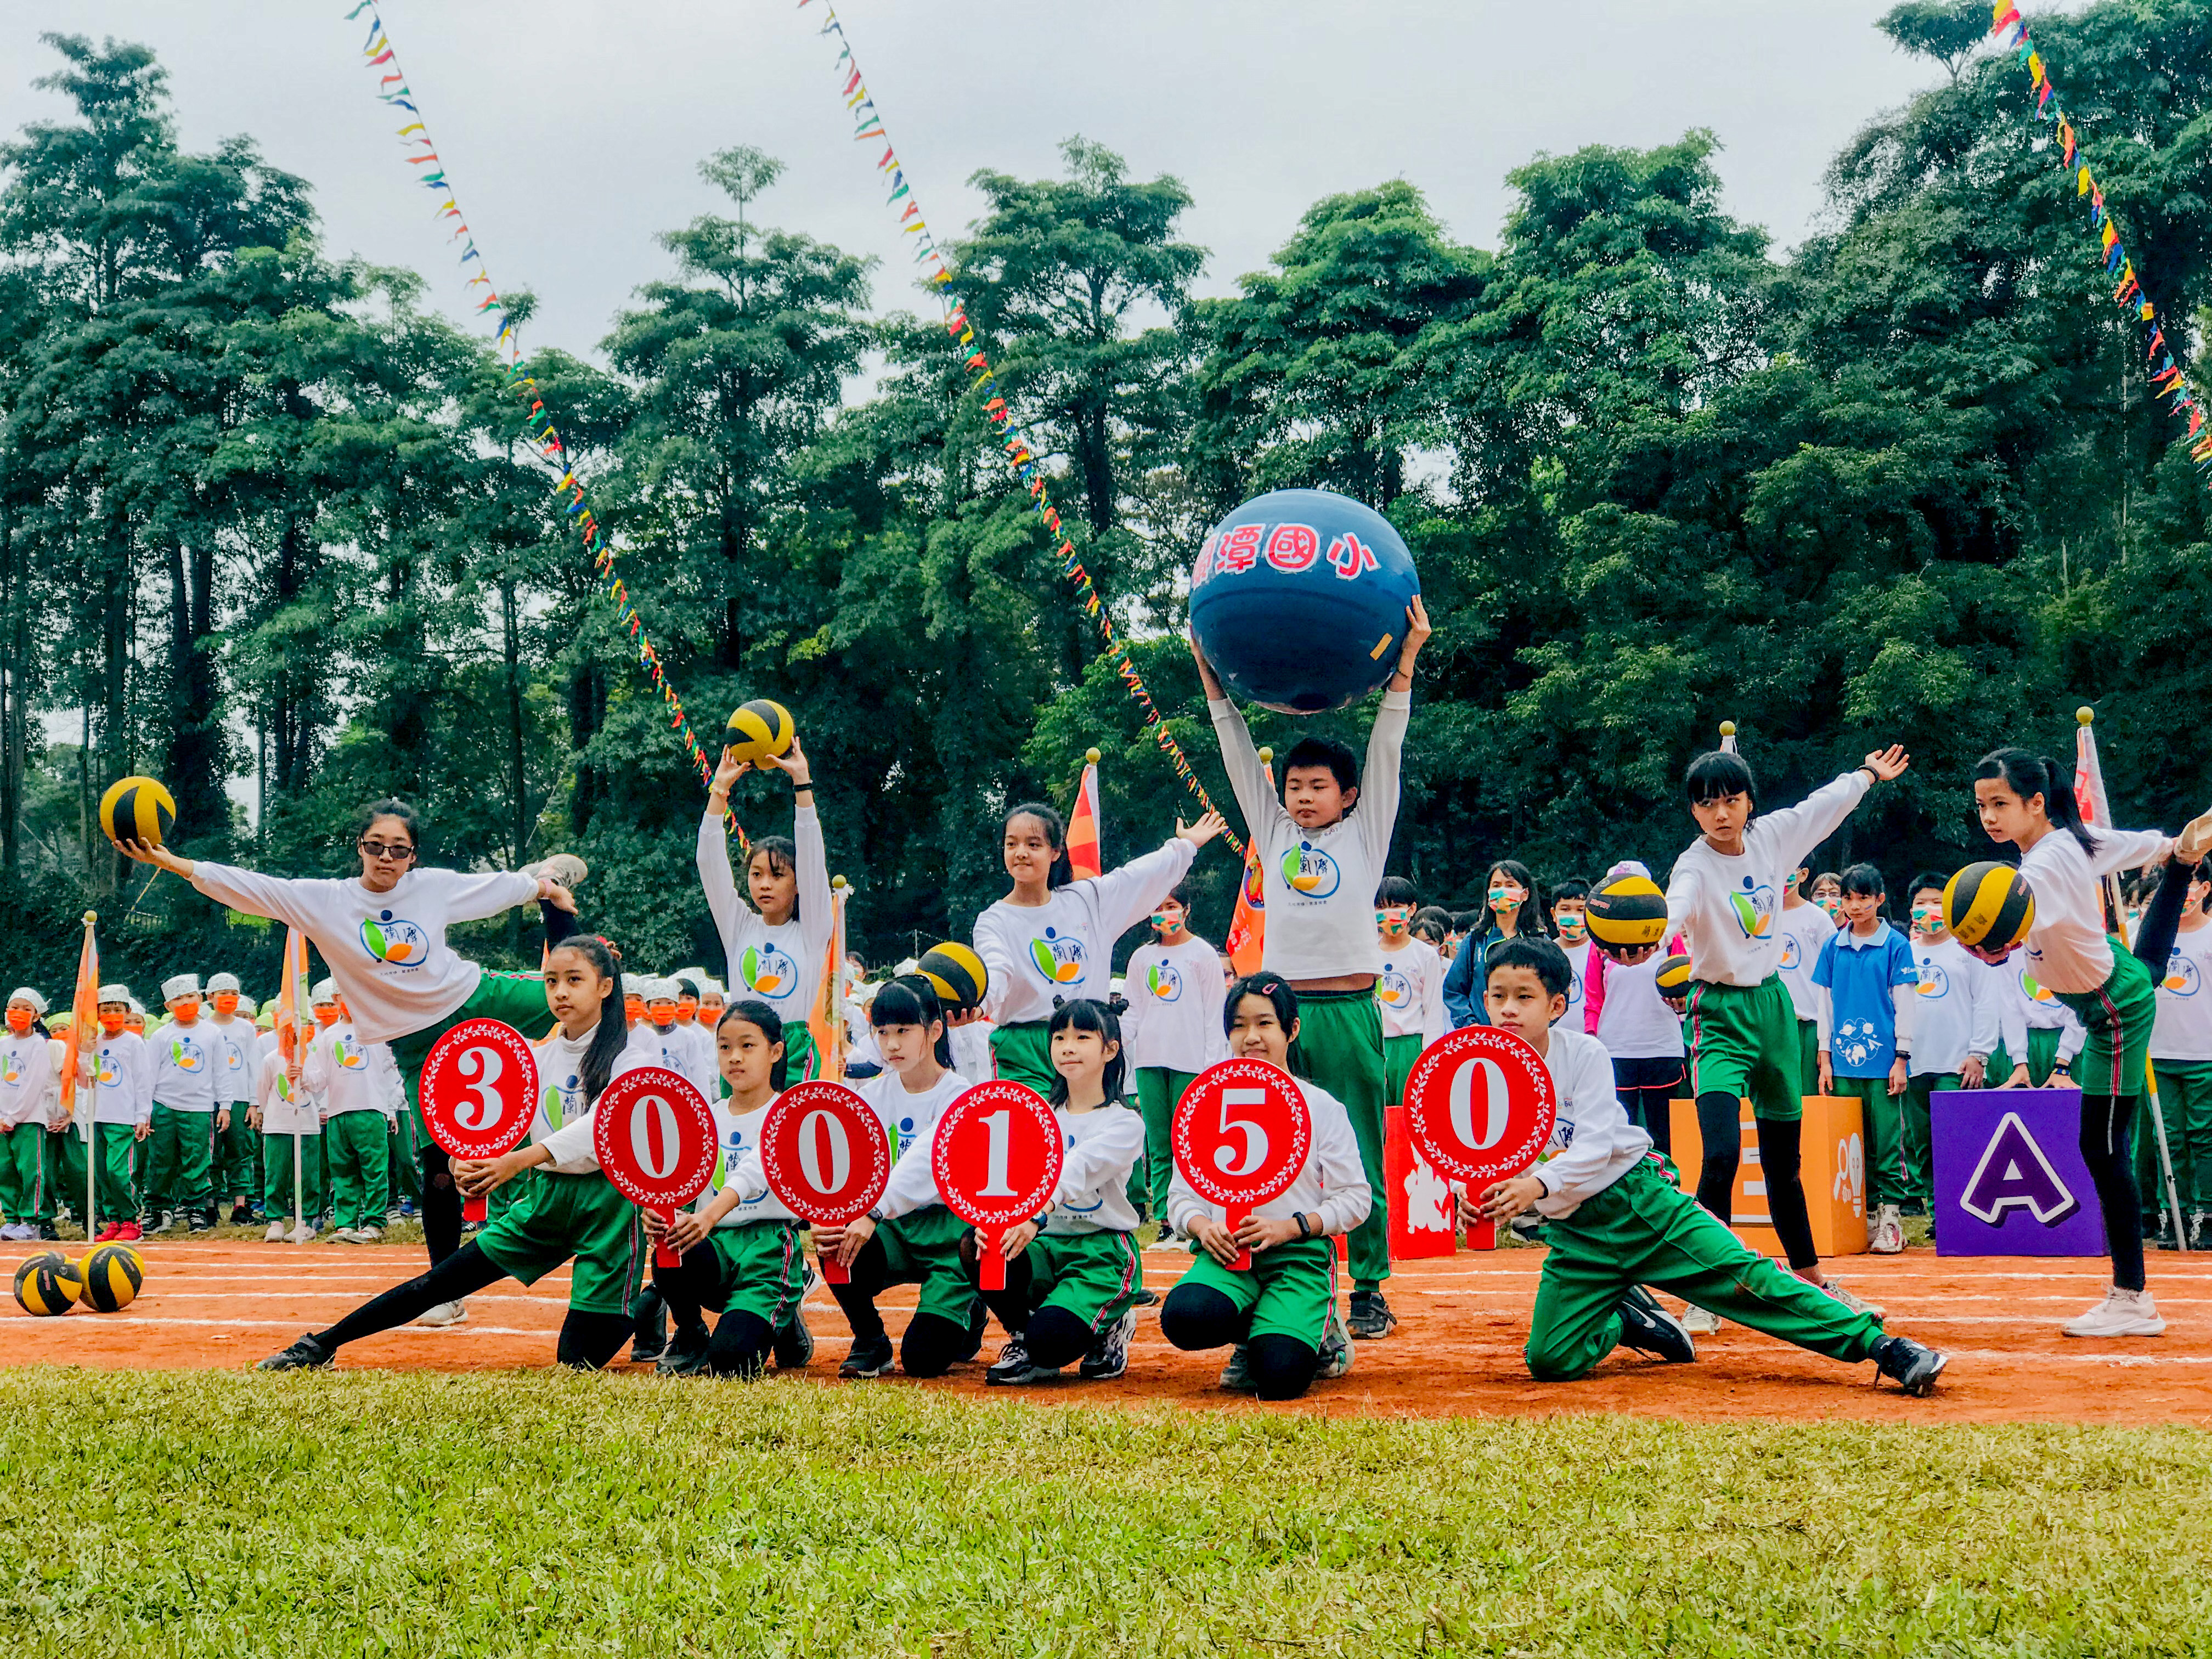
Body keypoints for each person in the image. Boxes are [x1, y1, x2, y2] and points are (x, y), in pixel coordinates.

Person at [113, 799, 582, 1278]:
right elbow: (253, 889)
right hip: (418, 1042)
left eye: (399, 850)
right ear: (359, 848)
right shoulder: (327, 901)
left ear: (413, 855)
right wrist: (172, 862)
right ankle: (445, 1288)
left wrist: (545, 885)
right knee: (439, 1165)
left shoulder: (432, 887)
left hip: (473, 996)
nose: (386, 857)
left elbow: (497, 890)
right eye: (376, 846)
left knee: (581, 998)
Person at [1458, 937, 1948, 1396]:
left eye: (1524, 996)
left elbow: (1595, 1146)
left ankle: (1886, 1349)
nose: (1508, 1009)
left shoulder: (1584, 1053)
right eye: (1498, 995)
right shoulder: (1481, 1072)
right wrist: (1471, 1191)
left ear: (1557, 1006)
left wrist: (1536, 1185)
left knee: (1750, 1281)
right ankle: (1626, 1318)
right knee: (1550, 1361)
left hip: (1639, 1206)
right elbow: (1478, 1153)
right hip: (1576, 1235)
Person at [1192, 597, 1429, 1340]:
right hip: (1281, 1019)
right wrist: (1212, 678)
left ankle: (1371, 1287)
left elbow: (1388, 743)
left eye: (1317, 786)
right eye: (1294, 786)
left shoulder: (1369, 830)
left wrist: (1407, 663)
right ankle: (1275, 1269)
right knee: (1270, 1145)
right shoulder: (1270, 829)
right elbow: (1235, 753)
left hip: (1354, 1010)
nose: (1301, 796)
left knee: (1357, 1145)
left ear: (1349, 795)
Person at [259, 935, 651, 1372]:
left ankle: (653, 1302)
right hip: (548, 1200)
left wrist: (518, 1160)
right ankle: (321, 1345)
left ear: (605, 987)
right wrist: (458, 1159)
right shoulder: (539, 1059)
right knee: (440, 1282)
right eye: (551, 981)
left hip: (610, 1210)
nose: (560, 992)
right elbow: (497, 1124)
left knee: (577, 1361)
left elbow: (600, 1129)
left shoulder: (633, 1055)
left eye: (574, 980)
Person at [1961, 750, 2212, 1336]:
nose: (1989, 817)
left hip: (2112, 1012)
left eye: (2000, 804)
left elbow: (2006, 931)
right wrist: (2172, 846)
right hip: (2111, 983)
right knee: (2144, 970)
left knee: (2102, 1147)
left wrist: (1993, 945)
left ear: (2036, 803)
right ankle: (2182, 866)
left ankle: (2132, 1299)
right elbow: (2129, 843)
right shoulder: (2075, 840)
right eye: (1981, 806)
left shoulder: (2041, 869)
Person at [1667, 743, 1906, 1321]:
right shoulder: (1693, 866)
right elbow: (1674, 910)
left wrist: (1867, 773)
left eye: (1732, 799)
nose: (1721, 813)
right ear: (1693, 813)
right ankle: (1708, 1289)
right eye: (1707, 804)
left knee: (1784, 1162)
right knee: (1720, 1153)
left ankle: (1812, 1279)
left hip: (1774, 1009)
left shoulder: (1774, 837)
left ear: (1749, 802)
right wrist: (1654, 942)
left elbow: (1825, 806)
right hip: (1717, 1014)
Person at [1159, 975, 1368, 1399]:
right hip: (1228, 1254)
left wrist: (1290, 1228)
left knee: (1279, 1379)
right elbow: (1180, 1196)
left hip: (1297, 1257)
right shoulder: (1208, 1103)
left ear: (1292, 1030)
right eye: (1238, 1026)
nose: (1250, 1038)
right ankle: (1251, 1336)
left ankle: (1319, 1334)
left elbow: (1356, 1199)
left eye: (1265, 1024)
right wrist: (1202, 1227)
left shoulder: (1321, 1108)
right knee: (1186, 1318)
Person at [972, 800, 1223, 1095]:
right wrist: (978, 1002)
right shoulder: (993, 920)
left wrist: (1184, 847)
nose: (1021, 853)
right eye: (1011, 844)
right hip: (1023, 1050)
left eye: (1033, 844)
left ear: (1055, 852)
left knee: (1087, 1133)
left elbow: (1137, 876)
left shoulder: (1087, 900)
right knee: (1034, 1136)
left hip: (1085, 1040)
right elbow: (995, 968)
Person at [973, 997, 1148, 1386]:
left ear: (1111, 1050)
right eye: (1059, 1037)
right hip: (1044, 1246)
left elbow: (1079, 1165)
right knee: (977, 1246)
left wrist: (1036, 1211)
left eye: (1083, 1037)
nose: (1068, 1046)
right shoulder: (1036, 1114)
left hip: (1100, 1253)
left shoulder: (1125, 1122)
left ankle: (1111, 1325)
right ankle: (1021, 1335)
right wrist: (988, 1222)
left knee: (1051, 1342)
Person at [642, 1000, 815, 1379]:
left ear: (776, 1051)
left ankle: (784, 1317)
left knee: (732, 1364)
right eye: (725, 1047)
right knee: (671, 1242)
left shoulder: (790, 1114)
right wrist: (659, 1212)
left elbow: (758, 1169)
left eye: (747, 1046)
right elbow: (677, 1183)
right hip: (715, 1247)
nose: (734, 1058)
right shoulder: (707, 1116)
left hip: (766, 1253)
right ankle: (690, 1332)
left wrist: (706, 1216)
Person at [825, 977, 980, 1378]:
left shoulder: (960, 1095)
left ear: (934, 1030)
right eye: (882, 1032)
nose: (891, 1044)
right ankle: (871, 1341)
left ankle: (970, 1306)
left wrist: (872, 1211)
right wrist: (827, 1216)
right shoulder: (872, 1097)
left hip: (948, 1232)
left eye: (904, 1031)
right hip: (893, 1228)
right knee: (834, 1241)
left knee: (923, 1361)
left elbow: (927, 1158)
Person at [1886, 871, 2010, 1252]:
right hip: (1914, 1062)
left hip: (1957, 1064)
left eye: (1937, 902)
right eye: (1922, 903)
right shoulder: (1902, 951)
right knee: (1923, 1145)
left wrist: (1979, 1054)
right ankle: (1942, 1216)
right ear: (1910, 910)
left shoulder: (1966, 949)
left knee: (1960, 1140)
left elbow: (1987, 1001)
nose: (1929, 910)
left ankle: (1970, 1212)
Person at [697, 738, 833, 1082]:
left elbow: (814, 863)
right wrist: (720, 790)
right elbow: (709, 864)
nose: (765, 884)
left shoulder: (813, 930)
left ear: (798, 883)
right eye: (756, 875)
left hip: (793, 1049)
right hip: (741, 1046)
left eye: (778, 875)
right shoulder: (739, 927)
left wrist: (802, 785)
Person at [1812, 865, 1920, 1252]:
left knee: (1889, 1141)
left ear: (1879, 899)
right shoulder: (1832, 947)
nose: (1855, 906)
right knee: (1854, 1144)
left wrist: (1901, 1057)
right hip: (1842, 1063)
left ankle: (1891, 1216)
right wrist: (1824, 1058)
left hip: (1883, 1062)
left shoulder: (1896, 946)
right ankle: (1867, 1218)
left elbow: (1904, 1003)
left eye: (1863, 898)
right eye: (1848, 898)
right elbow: (1824, 1005)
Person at [1119, 883, 1226, 1240]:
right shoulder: (1141, 958)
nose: (1164, 914)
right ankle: (1165, 1218)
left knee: (1190, 1142)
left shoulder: (1202, 955)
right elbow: (1132, 1013)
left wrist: (1212, 1067)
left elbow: (1215, 1016)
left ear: (1187, 910)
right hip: (1151, 1061)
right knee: (1160, 1144)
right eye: (1157, 908)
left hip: (1192, 1062)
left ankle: (1194, 1212)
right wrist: (1112, 1041)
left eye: (1171, 906)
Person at [2145, 862, 2212, 1249]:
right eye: (2177, 888)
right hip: (2160, 1055)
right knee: (2165, 1138)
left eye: (2191, 886)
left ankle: (2209, 1215)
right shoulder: (2149, 936)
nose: (2185, 895)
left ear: (2205, 889)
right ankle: (2174, 1216)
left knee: (2204, 1136)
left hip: (2204, 1053)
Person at [304, 981, 401, 1245]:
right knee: (342, 1170)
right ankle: (345, 1223)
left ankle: (374, 1222)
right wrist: (299, 1073)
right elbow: (319, 1079)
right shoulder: (327, 1037)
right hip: (338, 1112)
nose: (347, 1000)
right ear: (336, 999)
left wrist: (391, 1108)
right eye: (341, 996)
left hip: (370, 1109)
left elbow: (392, 1071)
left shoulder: (377, 1030)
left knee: (373, 1169)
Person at [65, 984, 151, 1243]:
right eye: (106, 1010)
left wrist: (142, 1116)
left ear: (127, 1012)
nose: (112, 1015)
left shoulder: (134, 1043)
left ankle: (131, 1219)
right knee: (102, 1172)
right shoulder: (94, 1043)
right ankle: (113, 1220)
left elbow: (143, 1081)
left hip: (123, 1117)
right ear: (98, 1014)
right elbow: (83, 1080)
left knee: (119, 1171)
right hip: (97, 1115)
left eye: (117, 1010)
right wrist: (84, 1053)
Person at [144, 973, 221, 1234]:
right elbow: (149, 1076)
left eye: (190, 997)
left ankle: (196, 1209)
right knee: (161, 1159)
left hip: (200, 1107)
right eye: (178, 999)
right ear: (168, 1006)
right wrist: (146, 1112)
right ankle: (157, 1209)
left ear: (200, 999)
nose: (186, 1002)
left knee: (197, 1159)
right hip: (164, 1106)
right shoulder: (161, 1036)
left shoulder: (212, 1033)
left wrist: (227, 1105)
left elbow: (221, 1072)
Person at [1442, 859, 1549, 1029]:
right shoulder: (1474, 941)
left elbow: (1558, 991)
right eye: (1496, 885)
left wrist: (1537, 1026)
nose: (1502, 891)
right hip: (1482, 1038)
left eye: (1510, 885)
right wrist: (1469, 1024)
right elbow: (1453, 990)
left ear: (1525, 894)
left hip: (1528, 1039)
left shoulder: (1540, 941)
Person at [1375, 877, 1448, 1108]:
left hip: (1412, 1046)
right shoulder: (1367, 955)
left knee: (1413, 1114)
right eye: (1381, 908)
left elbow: (1433, 1010)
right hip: (1377, 1046)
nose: (1389, 914)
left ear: (1412, 909)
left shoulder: (1425, 955)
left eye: (1396, 907)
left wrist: (1430, 1058)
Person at [253, 1026, 323, 1243]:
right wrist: (270, 1115)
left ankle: (306, 1220)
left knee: (308, 1174)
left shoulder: (315, 1057)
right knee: (276, 1173)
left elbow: (321, 1086)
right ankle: (276, 1220)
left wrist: (303, 1077)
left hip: (307, 1124)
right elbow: (263, 1091)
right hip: (278, 1126)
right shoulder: (271, 1059)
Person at [1774, 865, 1837, 1090]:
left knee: (1808, 1099)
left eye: (1789, 868)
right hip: (1769, 1025)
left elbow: (1832, 982)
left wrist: (1825, 1044)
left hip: (1808, 1026)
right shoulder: (1761, 917)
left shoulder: (1819, 920)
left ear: (1803, 875)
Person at [0, 990, 56, 1240]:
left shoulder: (38, 1045)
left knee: (31, 1170)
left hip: (28, 1119)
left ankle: (31, 1221)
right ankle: (11, 1219)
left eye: (25, 1008)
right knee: (5, 1170)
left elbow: (33, 1084)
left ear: (36, 1016)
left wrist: (12, 1117)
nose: (18, 1013)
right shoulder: (3, 1044)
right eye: (14, 1007)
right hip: (1, 1120)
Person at [206, 974, 261, 1224]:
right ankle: (210, 1203)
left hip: (240, 1098)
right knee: (211, 1152)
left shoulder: (246, 1029)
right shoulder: (204, 1027)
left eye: (233, 994)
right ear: (210, 998)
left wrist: (254, 1103)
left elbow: (253, 1066)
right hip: (209, 1099)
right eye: (222, 993)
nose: (228, 999)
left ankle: (241, 1206)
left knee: (241, 1151)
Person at [1550, 881, 1593, 1030]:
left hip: (1594, 1037)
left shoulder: (1600, 951)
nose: (1573, 916)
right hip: (1554, 1036)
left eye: (1580, 910)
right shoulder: (1547, 952)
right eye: (1565, 909)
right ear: (1554, 914)